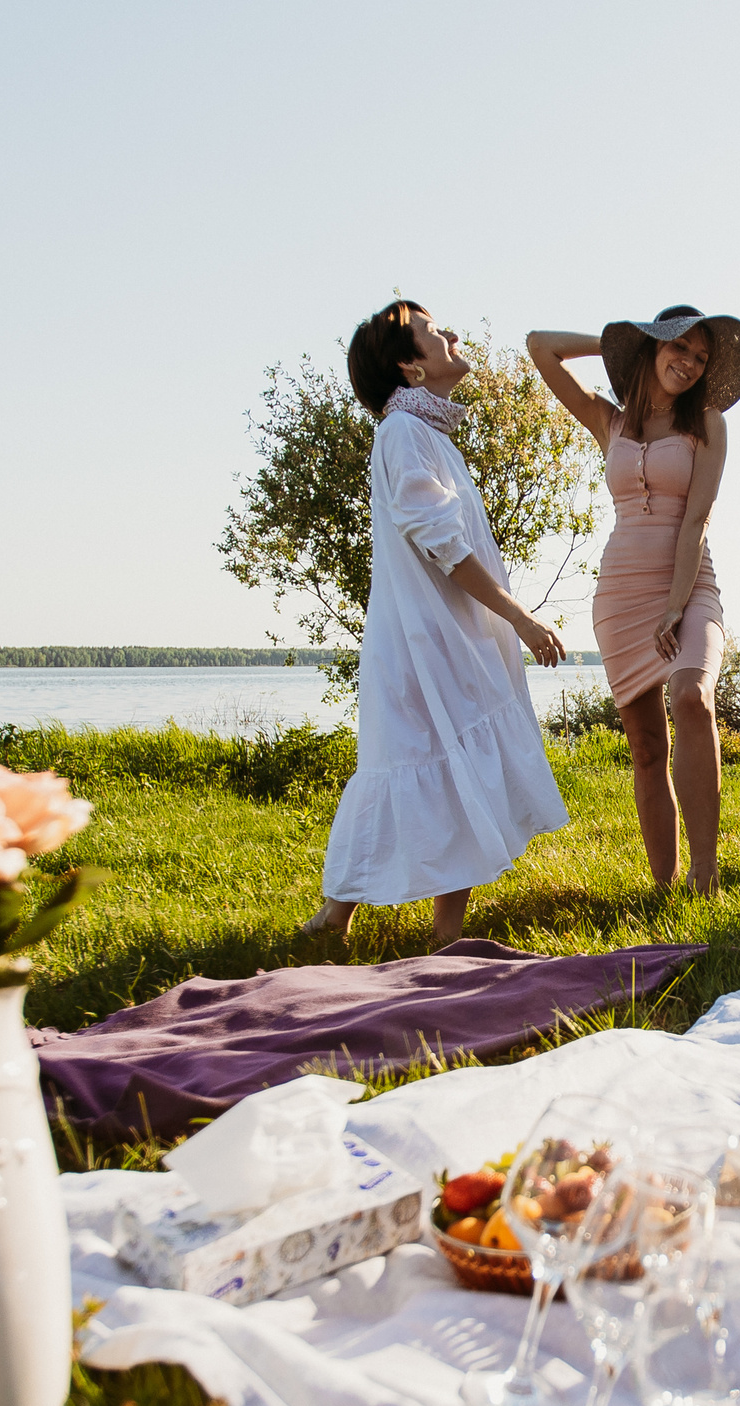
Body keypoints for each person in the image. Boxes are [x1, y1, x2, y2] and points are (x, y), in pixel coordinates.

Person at [304, 300, 571, 948]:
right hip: (420, 645)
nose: (451, 334)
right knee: (397, 769)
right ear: (410, 367)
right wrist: (523, 618)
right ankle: (331, 920)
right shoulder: (403, 435)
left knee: (461, 776)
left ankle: (446, 935)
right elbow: (443, 546)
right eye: (433, 332)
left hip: (454, 640)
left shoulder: (430, 435)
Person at [527, 306, 740, 896]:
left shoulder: (707, 423)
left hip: (689, 582)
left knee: (692, 697)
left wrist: (677, 605)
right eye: (676, 348)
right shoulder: (612, 422)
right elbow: (538, 345)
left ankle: (705, 879)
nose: (688, 362)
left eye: (700, 357)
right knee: (646, 746)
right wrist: (615, 347)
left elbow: (697, 518)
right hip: (622, 592)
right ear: (652, 349)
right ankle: (664, 886)